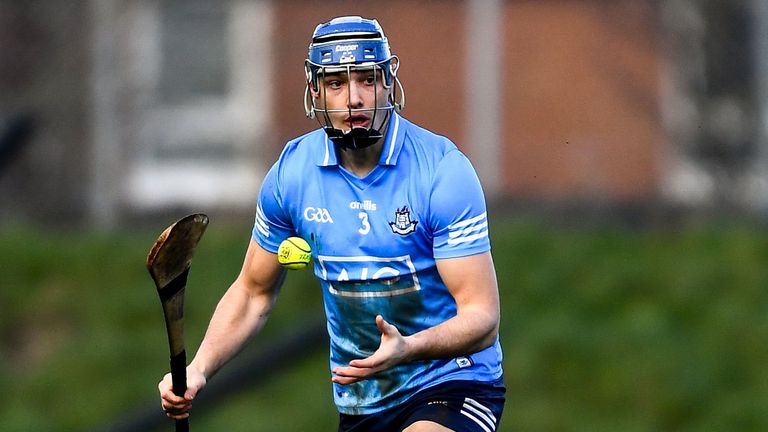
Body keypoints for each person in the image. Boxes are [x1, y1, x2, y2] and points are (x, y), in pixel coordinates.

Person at [159, 15, 505, 432]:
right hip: (362, 401)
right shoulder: (292, 174)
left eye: (365, 79)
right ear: (316, 92)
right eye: (336, 84)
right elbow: (253, 294)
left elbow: (482, 317)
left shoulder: (442, 172)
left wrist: (409, 348)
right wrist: (198, 370)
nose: (353, 99)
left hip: (452, 381)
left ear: (387, 84)